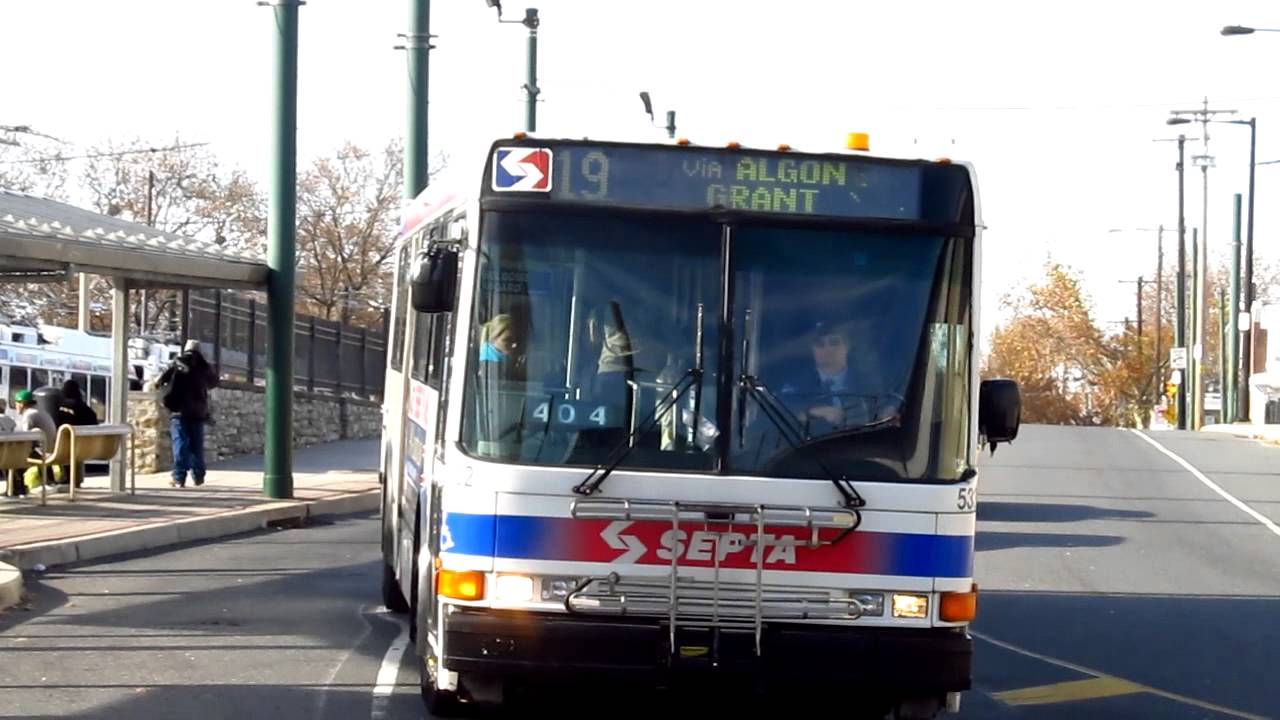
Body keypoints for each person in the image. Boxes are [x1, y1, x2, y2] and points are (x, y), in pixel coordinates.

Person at [156, 340, 219, 488]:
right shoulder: (204, 367)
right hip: (198, 411)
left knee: (180, 443)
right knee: (197, 445)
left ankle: (179, 477)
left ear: (185, 349)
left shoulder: (178, 363)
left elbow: (160, 380)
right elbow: (213, 383)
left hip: (179, 410)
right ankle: (198, 476)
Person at [56, 379, 99, 488]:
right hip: (86, 447)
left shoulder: (61, 407)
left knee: (66, 446)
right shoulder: (86, 409)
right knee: (75, 448)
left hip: (66, 446)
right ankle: (77, 480)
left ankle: (65, 478)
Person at [14, 389, 57, 494]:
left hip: (42, 453)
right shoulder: (42, 411)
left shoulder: (29, 415)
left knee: (13, 457)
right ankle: (50, 481)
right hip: (50, 450)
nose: (15, 406)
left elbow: (25, 438)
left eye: (16, 403)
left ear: (22, 403)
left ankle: (18, 489)